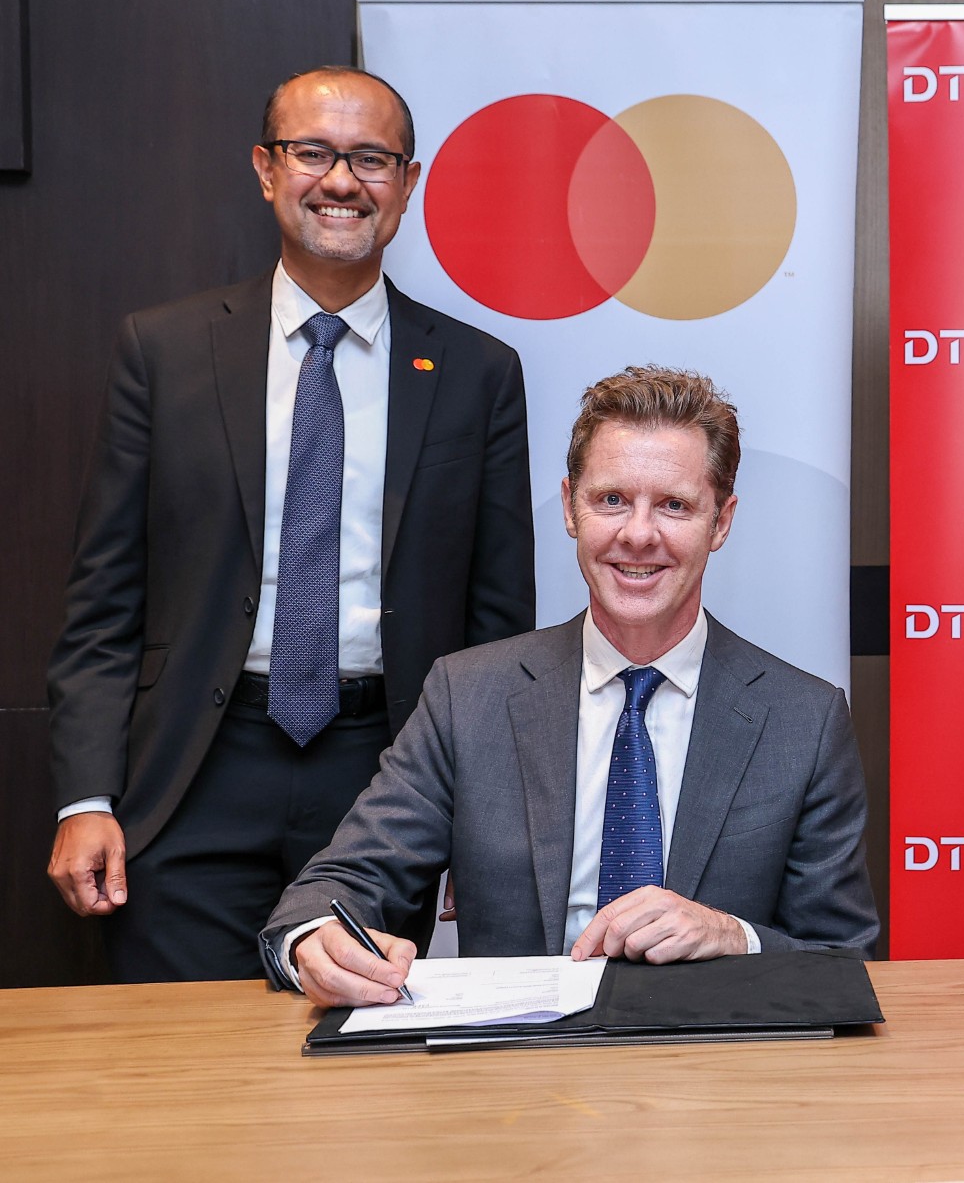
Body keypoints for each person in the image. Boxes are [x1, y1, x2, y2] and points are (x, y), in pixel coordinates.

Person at [45, 66, 535, 982]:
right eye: (313, 153)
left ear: (408, 184)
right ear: (267, 170)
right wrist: (84, 797)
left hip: (387, 778)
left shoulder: (477, 372)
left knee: (356, 1072)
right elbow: (103, 603)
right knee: (183, 1068)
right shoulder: (164, 351)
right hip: (190, 772)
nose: (342, 181)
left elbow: (497, 627)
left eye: (371, 159)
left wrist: (486, 820)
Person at [261, 365, 879, 1007]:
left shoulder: (803, 720)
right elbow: (341, 882)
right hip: (515, 1077)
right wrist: (314, 939)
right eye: (611, 500)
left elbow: (845, 959)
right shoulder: (469, 695)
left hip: (713, 1072)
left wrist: (735, 937)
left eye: (674, 505)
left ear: (720, 523)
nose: (638, 534)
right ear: (569, 508)